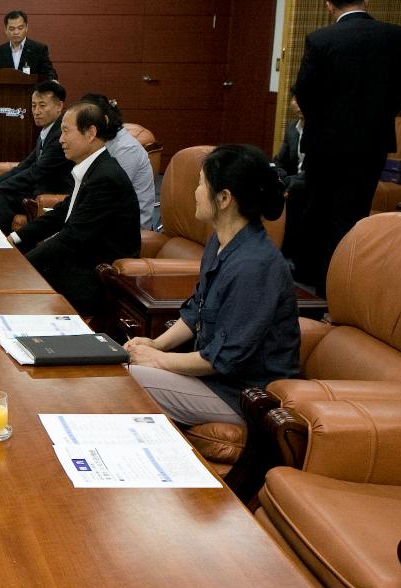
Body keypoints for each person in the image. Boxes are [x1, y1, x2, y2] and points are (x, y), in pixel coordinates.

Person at [125, 145, 299, 427]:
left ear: (224, 198)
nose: (194, 192)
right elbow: (196, 310)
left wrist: (159, 359)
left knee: (125, 378)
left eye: (201, 184)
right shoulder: (219, 242)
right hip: (212, 377)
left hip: (240, 393)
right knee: (124, 365)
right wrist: (156, 344)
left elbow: (223, 360)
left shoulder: (254, 266)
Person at [290, 0, 401, 292]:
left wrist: (321, 120)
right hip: (371, 143)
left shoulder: (321, 40)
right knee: (354, 212)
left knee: (319, 211)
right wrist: (381, 114)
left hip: (325, 143)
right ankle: (346, 284)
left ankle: (314, 282)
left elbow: (304, 91)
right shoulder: (395, 36)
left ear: (329, 4)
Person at [10, 101, 140, 317]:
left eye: (66, 132)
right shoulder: (95, 168)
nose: (60, 140)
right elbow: (62, 214)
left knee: (18, 289)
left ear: (90, 133)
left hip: (97, 276)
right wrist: (14, 239)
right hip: (79, 262)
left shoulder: (105, 177)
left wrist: (22, 265)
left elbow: (71, 238)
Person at [0, 79, 71, 230]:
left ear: (59, 106)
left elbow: (36, 172)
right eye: (33, 105)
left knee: (2, 198)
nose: (36, 111)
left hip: (52, 192)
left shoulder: (61, 135)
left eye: (42, 105)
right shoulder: (47, 130)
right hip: (37, 187)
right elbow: (26, 164)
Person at [80, 93, 156, 229]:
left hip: (130, 228)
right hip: (109, 216)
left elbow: (108, 195)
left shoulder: (127, 149)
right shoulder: (104, 141)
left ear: (105, 120)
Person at [273, 96, 307, 262]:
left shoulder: (323, 131)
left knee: (293, 190)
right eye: (295, 98)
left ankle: (290, 254)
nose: (298, 103)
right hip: (292, 179)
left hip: (310, 182)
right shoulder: (292, 128)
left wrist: (289, 182)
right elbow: (280, 160)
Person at [0, 9, 57, 80]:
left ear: (26, 27)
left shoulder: (39, 49)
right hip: (5, 91)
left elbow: (49, 73)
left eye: (20, 28)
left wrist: (53, 81)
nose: (16, 32)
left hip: (33, 90)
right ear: (5, 30)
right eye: (12, 29)